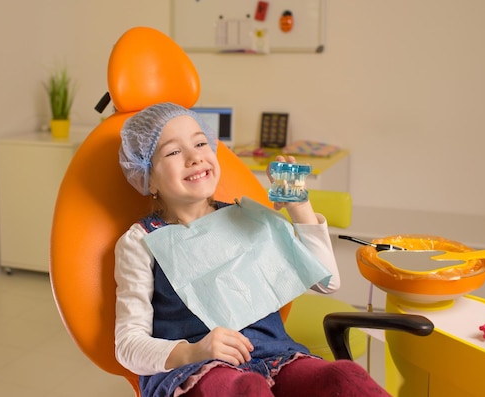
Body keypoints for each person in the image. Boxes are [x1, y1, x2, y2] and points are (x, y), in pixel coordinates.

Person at [114, 102, 390, 397]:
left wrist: (300, 207)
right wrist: (195, 351)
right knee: (247, 390)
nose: (195, 157)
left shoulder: (247, 216)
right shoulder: (140, 242)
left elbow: (327, 281)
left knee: (344, 377)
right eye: (173, 151)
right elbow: (128, 345)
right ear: (148, 176)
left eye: (200, 143)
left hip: (277, 358)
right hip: (196, 370)